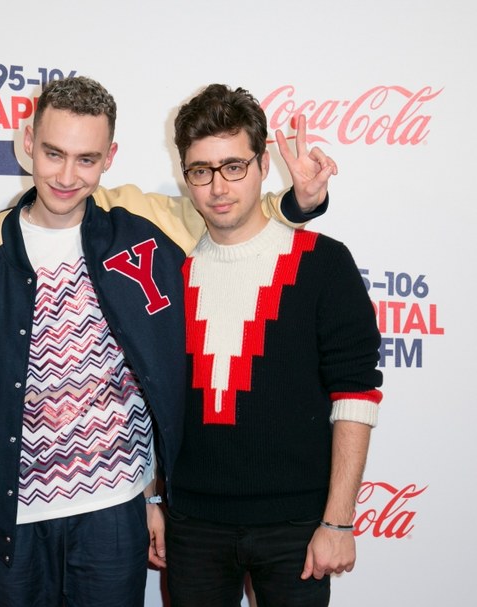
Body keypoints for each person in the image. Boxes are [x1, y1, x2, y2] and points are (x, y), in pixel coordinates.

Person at [0, 76, 335, 607]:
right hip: (16, 515)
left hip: (116, 508)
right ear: (27, 140)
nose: (67, 175)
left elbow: (229, 213)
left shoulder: (143, 219)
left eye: (87, 159)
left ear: (110, 156)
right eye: (53, 153)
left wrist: (300, 202)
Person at [162, 83, 383, 606]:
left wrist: (338, 520)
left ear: (262, 164)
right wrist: (155, 499)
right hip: (193, 525)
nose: (218, 186)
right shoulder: (169, 271)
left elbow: (355, 395)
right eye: (201, 170)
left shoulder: (323, 263)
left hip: (298, 528)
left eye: (233, 166)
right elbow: (154, 396)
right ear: (185, 175)